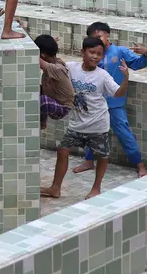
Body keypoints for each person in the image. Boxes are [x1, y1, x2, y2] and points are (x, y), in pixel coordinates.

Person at [42, 37, 129, 200]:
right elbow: (56, 67)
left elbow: (119, 93)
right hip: (76, 125)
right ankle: (55, 188)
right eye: (92, 52)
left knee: (102, 156)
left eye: (99, 54)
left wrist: (125, 78)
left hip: (98, 125)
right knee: (62, 151)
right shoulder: (71, 68)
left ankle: (96, 188)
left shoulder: (103, 75)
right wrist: (51, 49)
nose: (95, 57)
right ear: (83, 52)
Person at [73, 22, 147, 178]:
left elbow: (137, 64)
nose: (96, 41)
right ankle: (88, 161)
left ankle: (140, 165)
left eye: (99, 37)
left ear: (107, 35)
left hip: (114, 104)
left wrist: (146, 54)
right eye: (93, 39)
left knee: (124, 133)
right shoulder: (94, 53)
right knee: (92, 132)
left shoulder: (120, 51)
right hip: (95, 102)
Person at [34, 34, 74, 130]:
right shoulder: (54, 61)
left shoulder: (57, 68)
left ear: (43, 55)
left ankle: (42, 123)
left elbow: (33, 54)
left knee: (43, 100)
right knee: (34, 88)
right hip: (53, 97)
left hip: (62, 107)